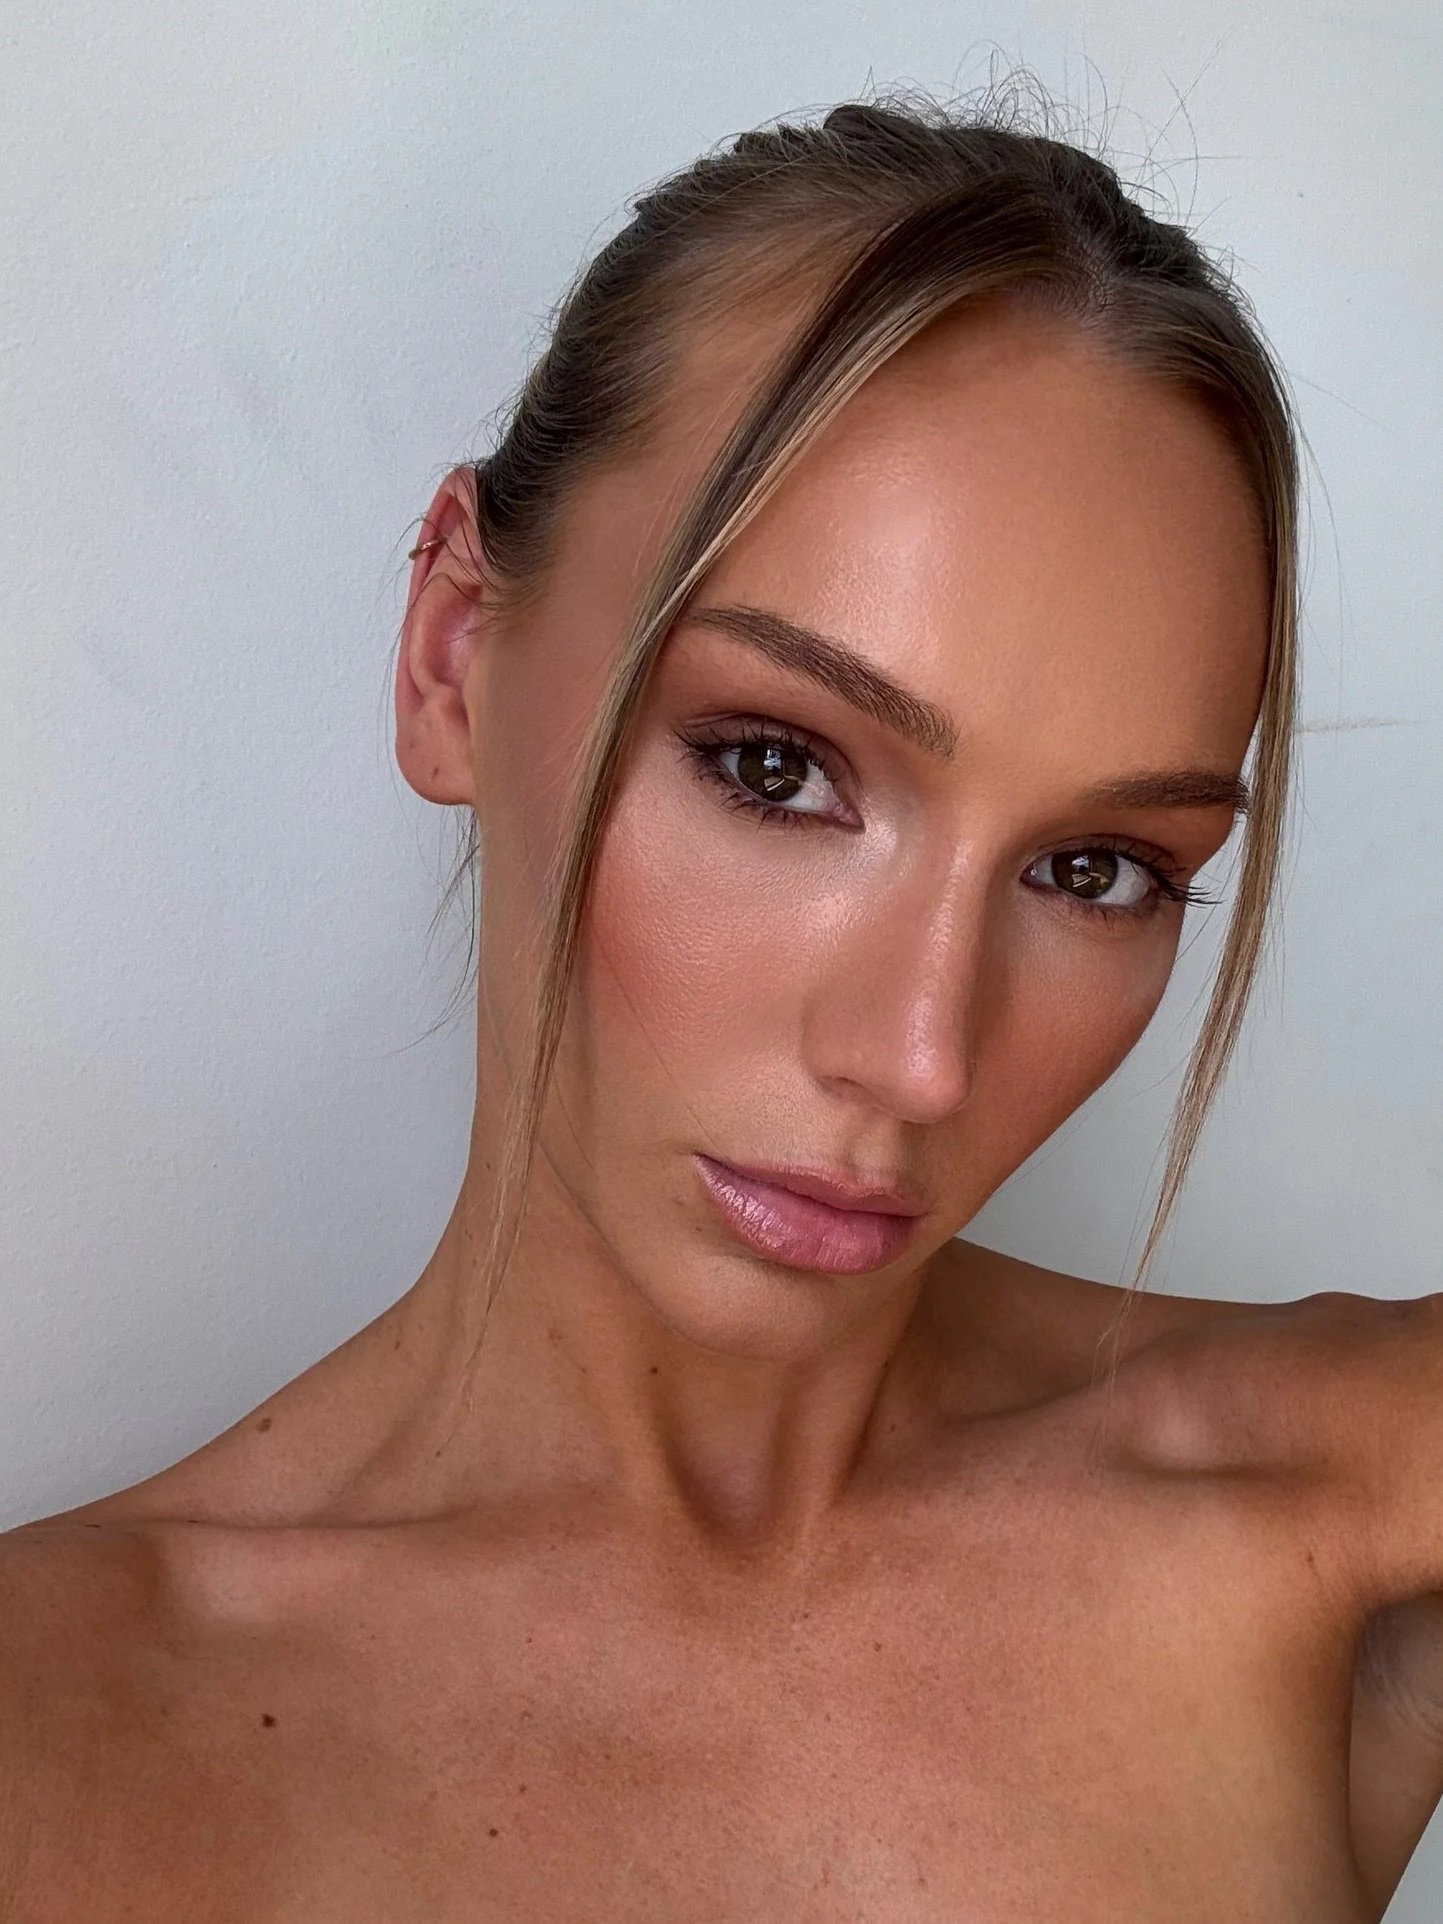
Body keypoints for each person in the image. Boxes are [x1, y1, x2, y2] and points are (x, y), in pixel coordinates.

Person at [1, 85, 1440, 1923]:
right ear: (455, 652)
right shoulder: (59, 1745)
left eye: (1098, 872)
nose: (920, 1056)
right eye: (775, 768)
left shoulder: (1344, 1511)